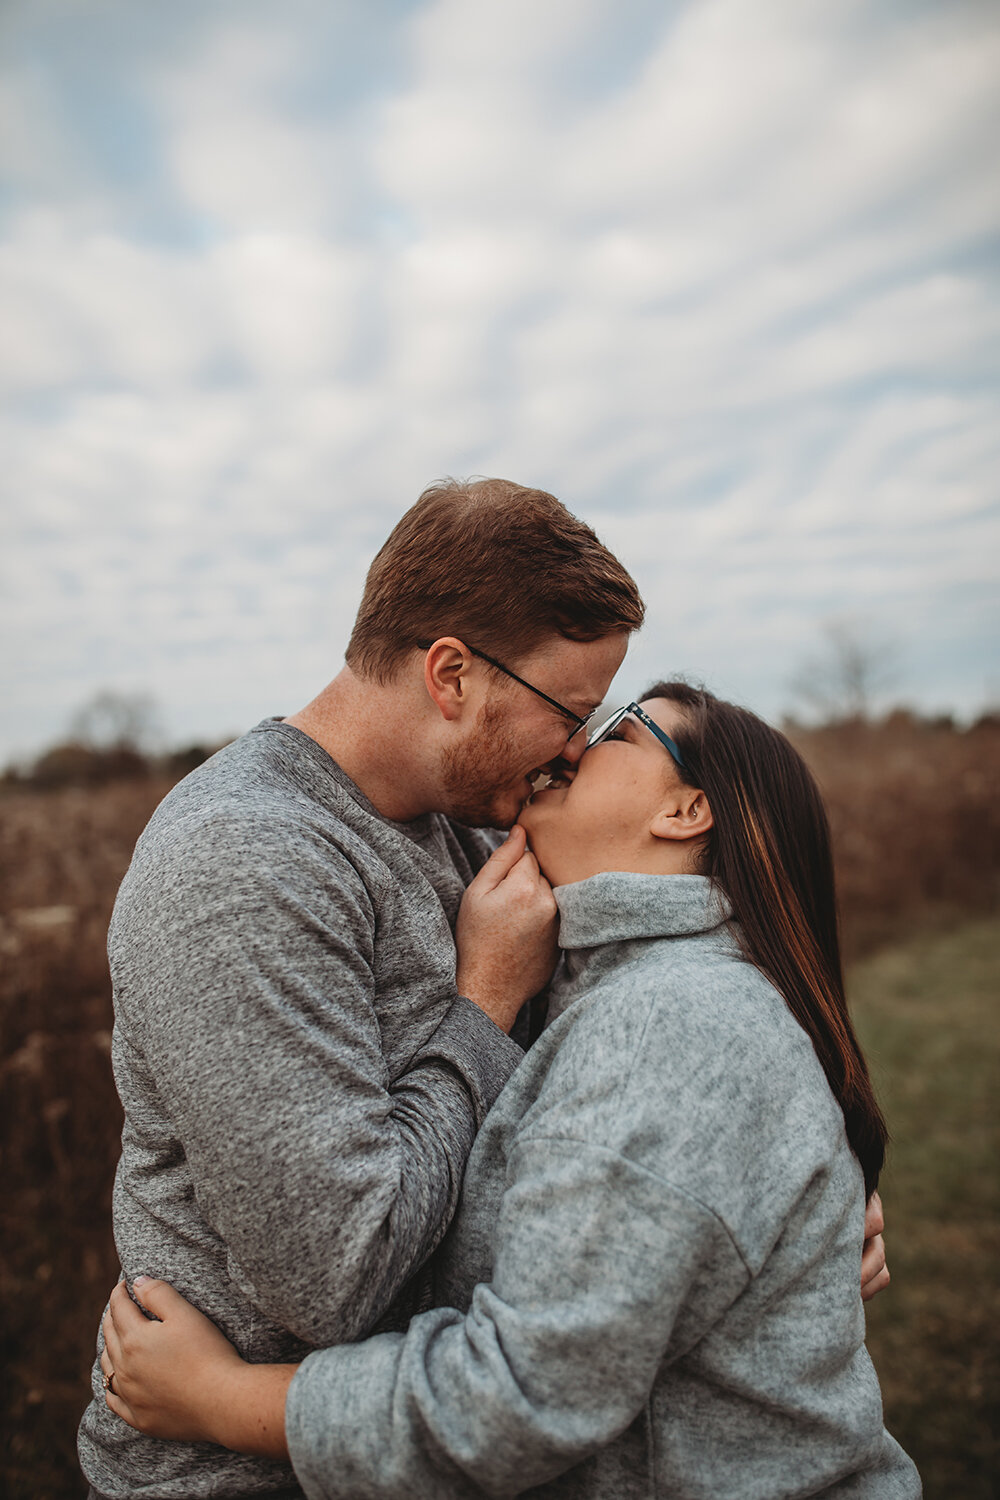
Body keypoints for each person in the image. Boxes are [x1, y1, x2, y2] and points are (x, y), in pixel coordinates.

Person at [99, 684, 917, 1498]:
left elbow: (523, 1396)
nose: (572, 746)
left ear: (685, 811)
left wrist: (217, 1399)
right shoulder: (611, 982)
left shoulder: (664, 1024)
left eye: (617, 728)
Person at [78, 476, 645, 1499]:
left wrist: (781, 1184)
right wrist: (482, 1005)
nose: (576, 751)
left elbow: (625, 1038)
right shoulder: (243, 865)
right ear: (452, 676)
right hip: (244, 1477)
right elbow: (340, 1274)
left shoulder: (469, 818)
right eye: (571, 711)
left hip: (420, 1448)